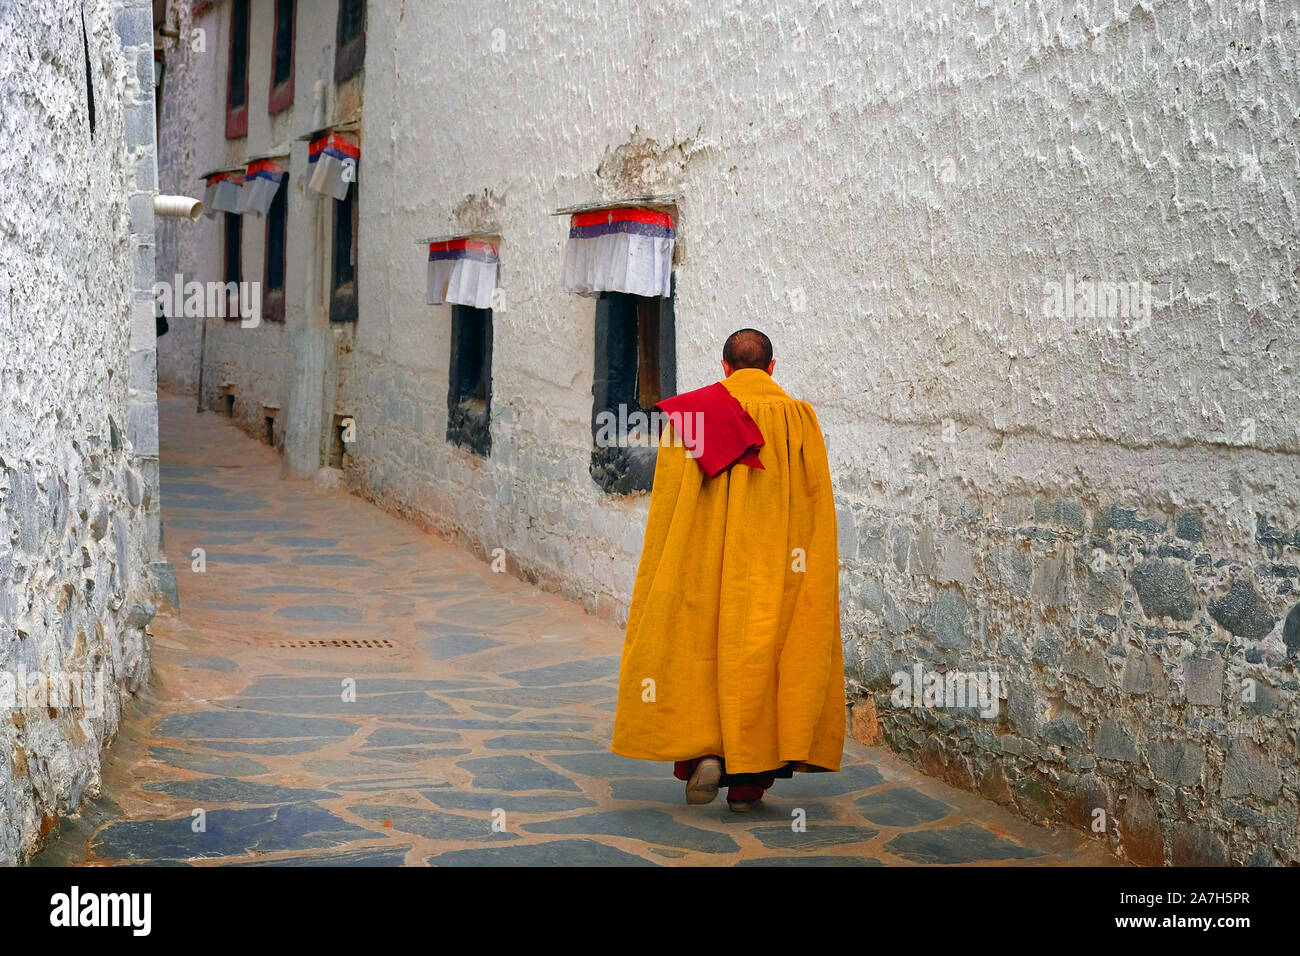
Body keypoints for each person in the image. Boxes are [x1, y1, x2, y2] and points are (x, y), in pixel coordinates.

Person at [611, 328, 844, 811]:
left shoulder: (693, 416)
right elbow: (816, 502)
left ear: (725, 369)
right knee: (761, 661)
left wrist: (671, 567)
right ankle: (746, 783)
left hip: (705, 564)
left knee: (700, 652)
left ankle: (706, 753)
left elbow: (670, 506)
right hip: (775, 567)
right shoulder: (800, 419)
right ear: (772, 369)